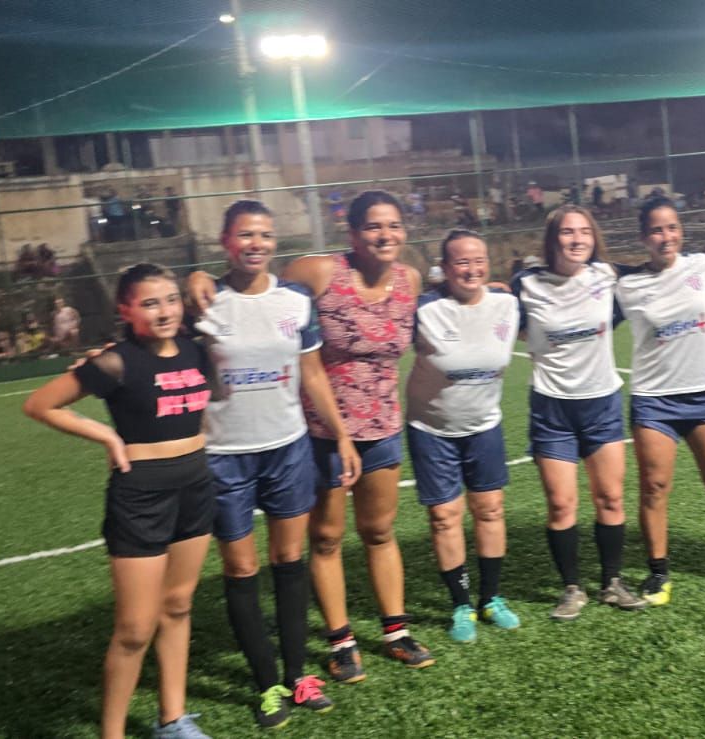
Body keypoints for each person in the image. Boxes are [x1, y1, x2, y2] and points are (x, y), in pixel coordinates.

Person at [194, 190, 431, 675]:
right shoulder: (319, 272)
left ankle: (396, 630)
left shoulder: (410, 278)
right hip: (322, 429)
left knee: (380, 531)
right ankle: (341, 640)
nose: (385, 235)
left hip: (382, 425)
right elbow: (256, 285)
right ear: (353, 233)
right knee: (325, 538)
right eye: (373, 226)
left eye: (393, 225)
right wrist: (199, 278)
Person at [22, 263, 215, 739]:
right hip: (141, 495)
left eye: (170, 299)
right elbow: (40, 404)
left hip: (195, 486)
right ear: (126, 310)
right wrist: (106, 436)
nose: (164, 311)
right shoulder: (114, 362)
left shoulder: (198, 349)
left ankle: (173, 720)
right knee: (134, 629)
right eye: (149, 303)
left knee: (178, 605)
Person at [195, 200, 352, 728]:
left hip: (287, 447)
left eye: (264, 234)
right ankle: (267, 685)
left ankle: (299, 676)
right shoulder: (204, 301)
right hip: (223, 455)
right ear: (225, 241)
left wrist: (342, 434)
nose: (255, 244)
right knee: (241, 569)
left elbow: (313, 373)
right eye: (245, 234)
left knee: (289, 560)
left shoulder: (296, 300)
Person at [615, 196, 705, 606]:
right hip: (654, 400)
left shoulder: (701, 264)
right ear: (644, 237)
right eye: (656, 230)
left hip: (704, 394)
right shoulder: (626, 286)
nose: (666, 236)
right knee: (655, 487)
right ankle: (658, 572)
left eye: (672, 227)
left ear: (681, 231)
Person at [512, 204, 647, 620]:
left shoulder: (607, 276)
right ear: (552, 239)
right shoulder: (526, 285)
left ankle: (612, 582)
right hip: (552, 408)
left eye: (584, 232)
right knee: (561, 504)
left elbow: (656, 273)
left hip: (602, 402)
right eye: (568, 232)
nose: (577, 239)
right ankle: (572, 588)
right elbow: (500, 316)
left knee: (611, 497)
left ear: (594, 237)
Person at [407, 229, 522, 642]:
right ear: (444, 267)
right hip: (432, 429)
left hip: (484, 425)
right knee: (444, 517)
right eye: (461, 262)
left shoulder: (507, 303)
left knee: (490, 509)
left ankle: (491, 598)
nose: (472, 269)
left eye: (479, 260)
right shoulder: (424, 309)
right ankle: (461, 604)